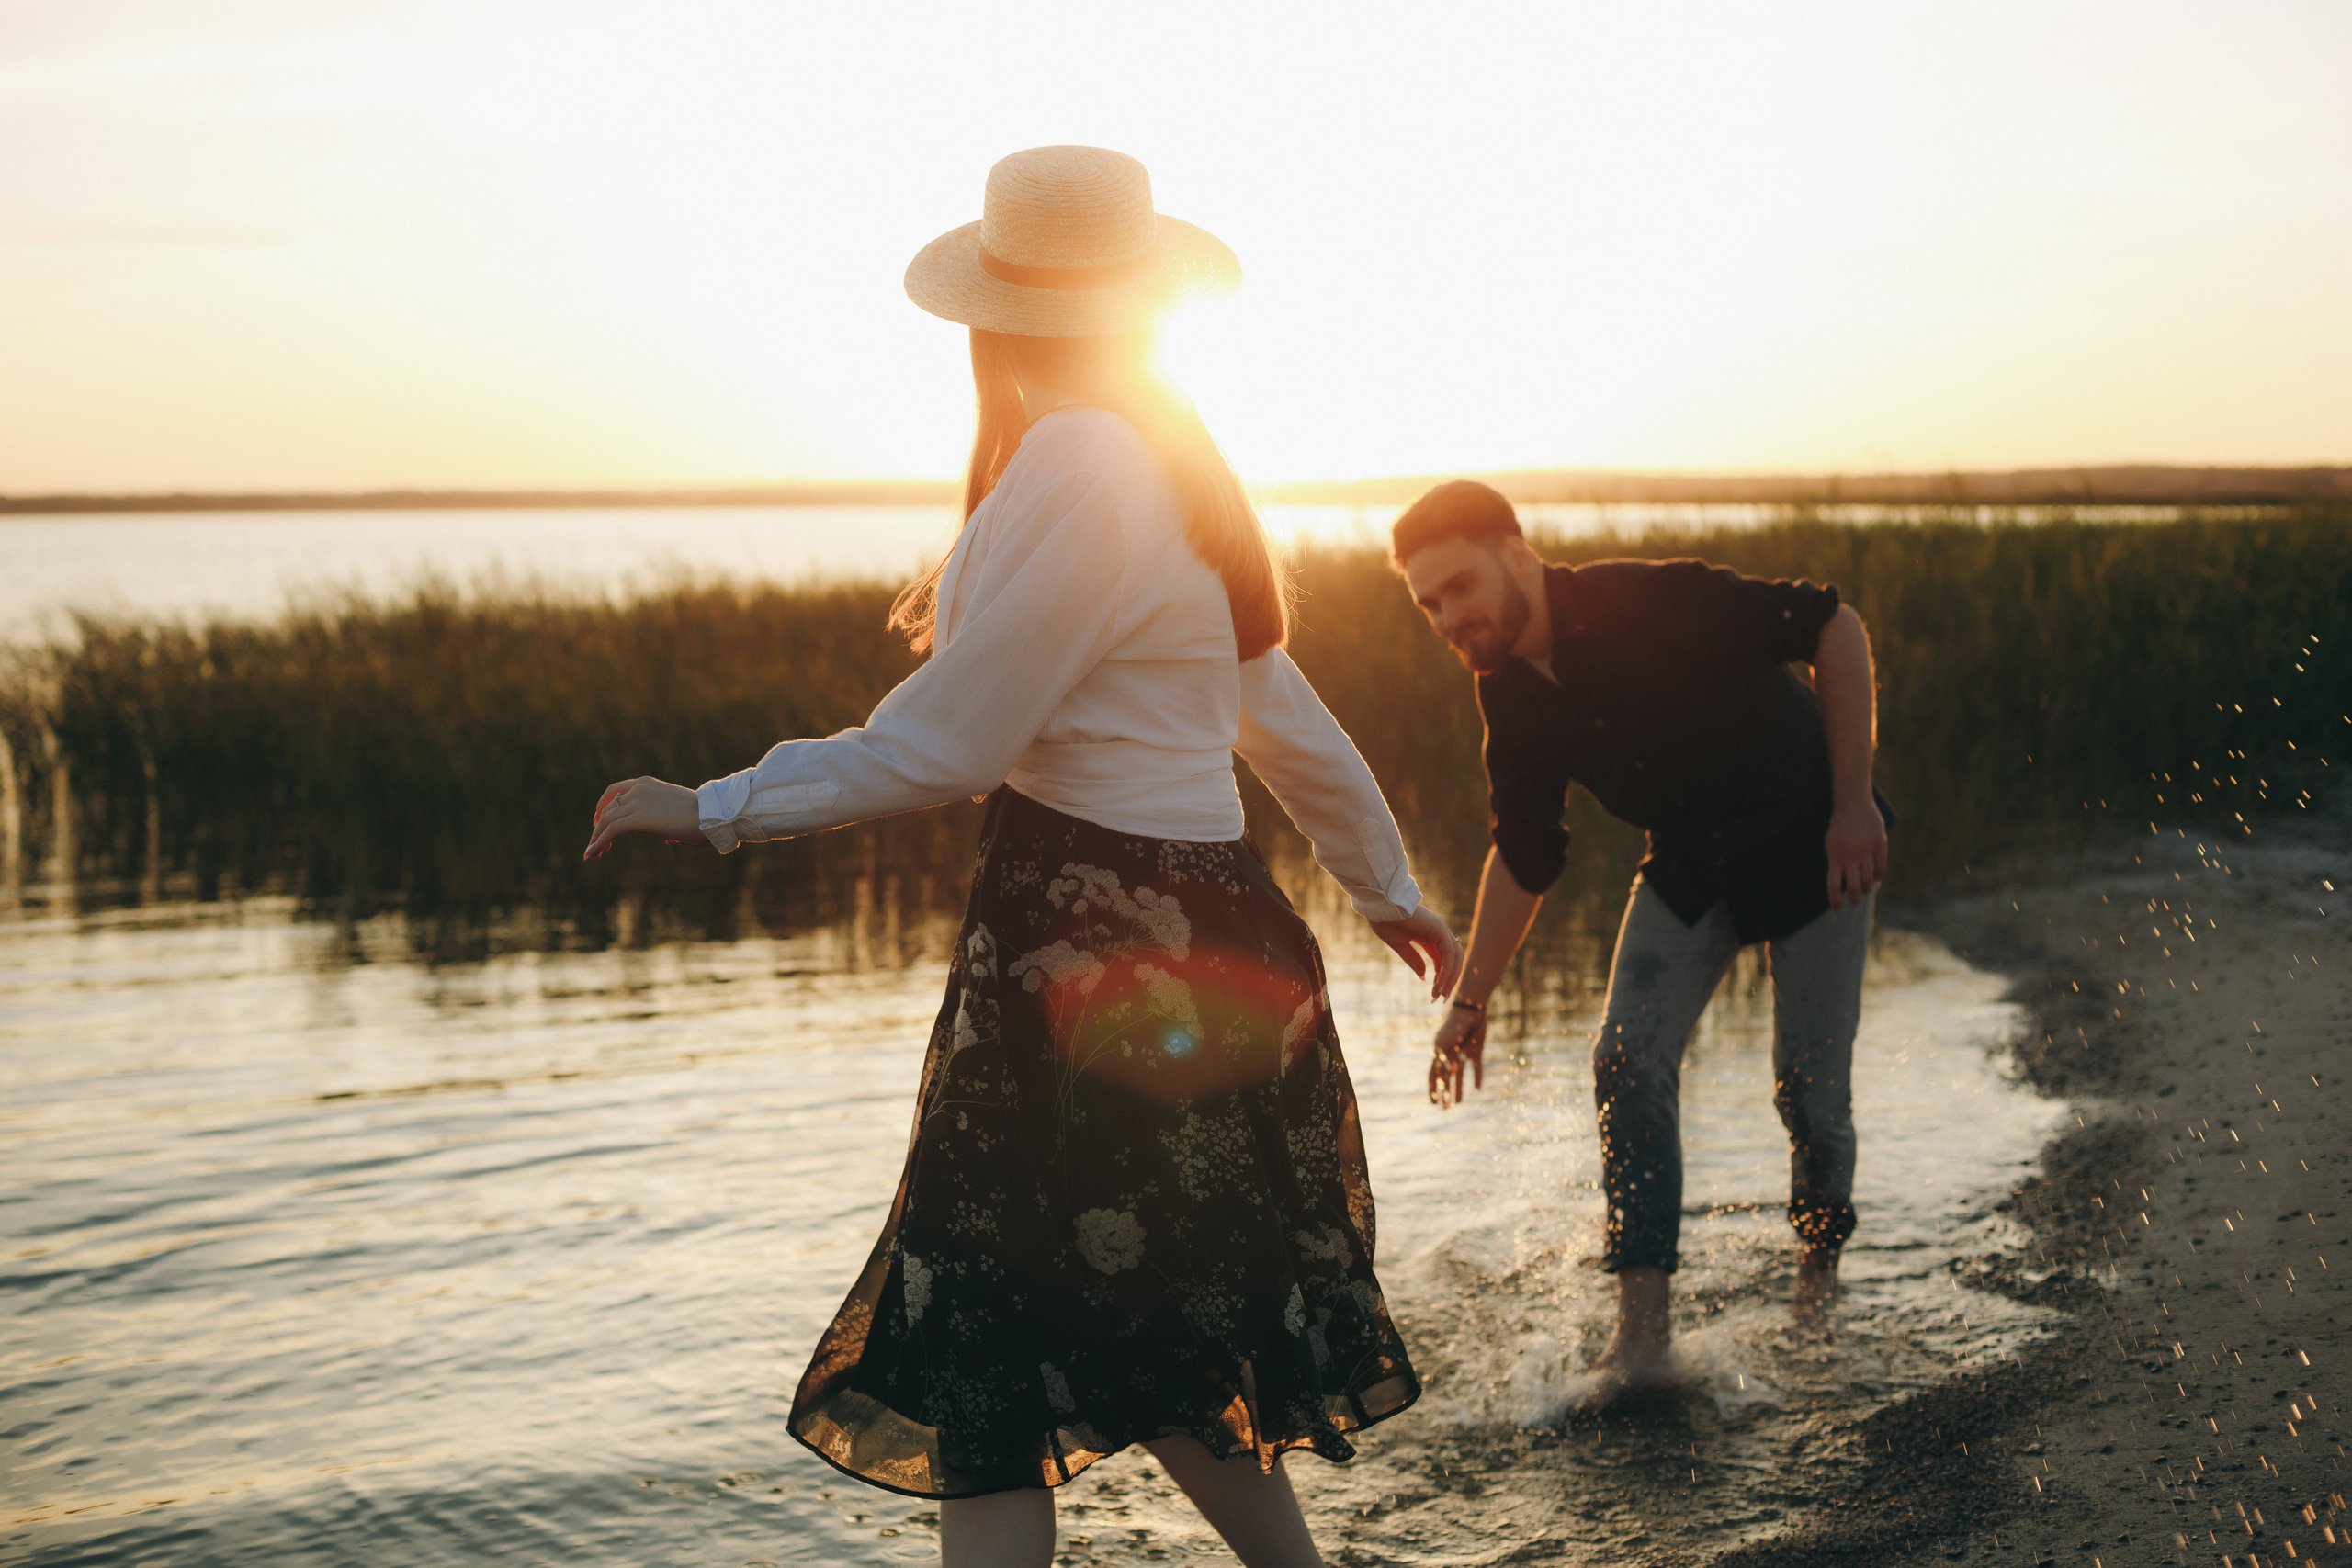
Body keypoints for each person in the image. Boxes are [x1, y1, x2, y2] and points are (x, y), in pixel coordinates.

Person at [584, 146, 1461, 1568]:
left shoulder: (1085, 455)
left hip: (1085, 943)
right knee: (1150, 1320)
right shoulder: (1171, 454)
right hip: (1199, 927)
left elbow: (949, 742)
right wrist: (1387, 888)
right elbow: (1287, 717)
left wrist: (718, 803)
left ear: (995, 317)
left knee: (985, 1329)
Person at [1390, 480, 1891, 1412]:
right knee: (1624, 1057)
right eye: (1428, 603)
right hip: (1692, 867)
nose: (1447, 616)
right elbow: (1526, 851)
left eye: (1457, 586)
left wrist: (1854, 804)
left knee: (1810, 1097)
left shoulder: (1643, 597)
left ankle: (1816, 1288)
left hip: (1813, 843)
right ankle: (1643, 1342)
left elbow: (1833, 625)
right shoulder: (1507, 694)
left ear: (1514, 556)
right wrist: (1469, 1000)